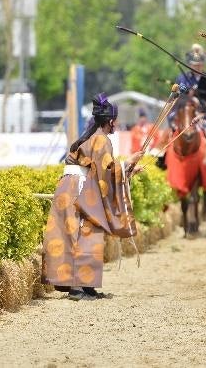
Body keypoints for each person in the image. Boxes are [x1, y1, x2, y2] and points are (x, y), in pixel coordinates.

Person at [42, 93, 144, 301]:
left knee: (84, 233)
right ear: (111, 121)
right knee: (82, 233)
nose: (117, 124)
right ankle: (77, 287)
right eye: (116, 120)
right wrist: (128, 163)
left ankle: (85, 284)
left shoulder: (95, 137)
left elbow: (103, 169)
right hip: (78, 188)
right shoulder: (100, 139)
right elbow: (106, 169)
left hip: (75, 186)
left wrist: (129, 170)